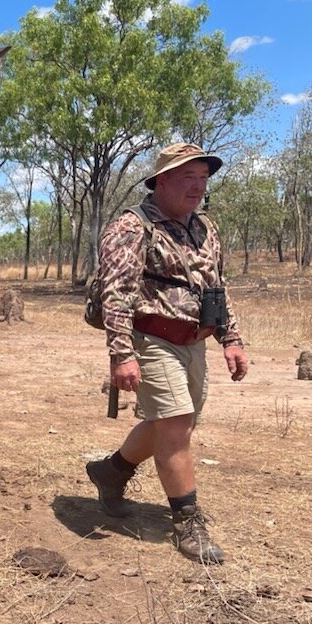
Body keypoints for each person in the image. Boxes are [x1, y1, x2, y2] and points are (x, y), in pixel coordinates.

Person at [88, 143, 248, 564]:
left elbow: (217, 286)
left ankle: (110, 471)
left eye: (203, 179)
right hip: (150, 339)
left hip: (193, 342)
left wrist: (231, 339)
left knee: (174, 424)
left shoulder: (205, 228)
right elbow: (116, 295)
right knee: (176, 425)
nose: (197, 188)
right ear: (161, 181)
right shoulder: (132, 227)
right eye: (186, 179)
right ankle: (187, 523)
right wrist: (121, 354)